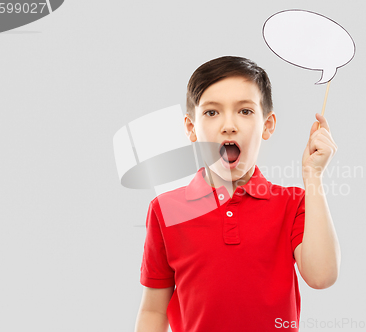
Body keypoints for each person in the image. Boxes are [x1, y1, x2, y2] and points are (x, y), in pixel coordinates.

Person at [134, 56, 341, 332]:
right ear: (190, 128)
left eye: (244, 111)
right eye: (211, 112)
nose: (228, 125)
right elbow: (153, 309)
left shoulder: (293, 204)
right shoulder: (165, 209)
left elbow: (322, 276)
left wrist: (313, 176)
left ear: (267, 125)